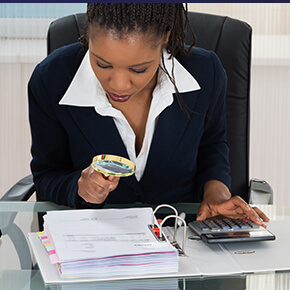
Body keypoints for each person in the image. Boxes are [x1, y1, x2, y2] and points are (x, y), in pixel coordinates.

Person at [28, 3, 269, 227]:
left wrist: (216, 194)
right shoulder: (51, 79)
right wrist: (79, 188)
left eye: (138, 69)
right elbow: (46, 175)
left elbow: (212, 146)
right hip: (93, 243)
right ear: (88, 34)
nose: (119, 85)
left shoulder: (207, 73)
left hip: (183, 238)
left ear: (165, 37)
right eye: (102, 64)